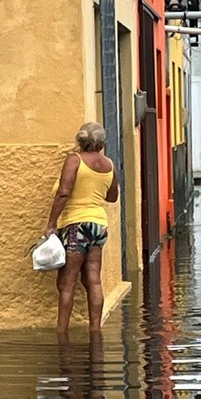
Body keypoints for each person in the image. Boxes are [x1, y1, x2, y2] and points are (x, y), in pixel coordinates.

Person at [46, 122, 119, 335]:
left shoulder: (74, 160)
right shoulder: (109, 165)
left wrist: (51, 223)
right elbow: (112, 197)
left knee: (66, 283)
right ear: (102, 143)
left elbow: (63, 192)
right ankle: (95, 330)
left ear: (80, 141)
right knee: (93, 279)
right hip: (98, 226)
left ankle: (62, 333)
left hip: (76, 225)